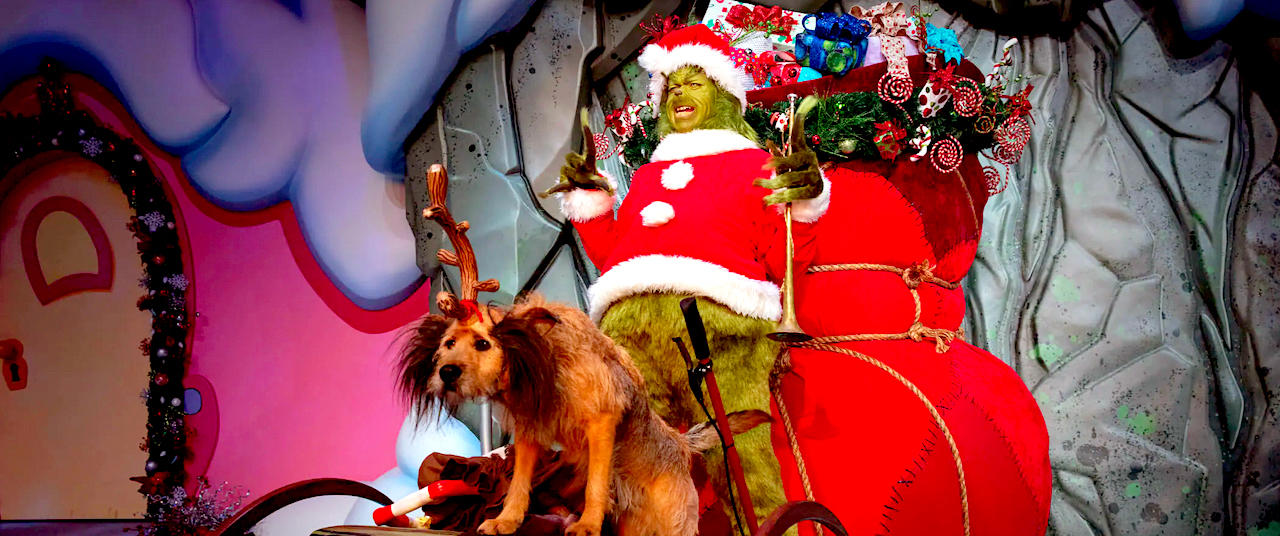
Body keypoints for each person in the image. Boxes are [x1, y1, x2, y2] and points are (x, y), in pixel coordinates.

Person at [550, 23, 830, 533]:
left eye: (694, 82)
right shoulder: (647, 176)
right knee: (625, 462)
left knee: (742, 461)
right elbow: (615, 255)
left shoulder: (755, 167)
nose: (679, 92)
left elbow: (784, 259)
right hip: (629, 340)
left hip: (722, 331)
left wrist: (803, 205)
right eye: (672, 84)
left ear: (723, 94)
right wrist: (591, 202)